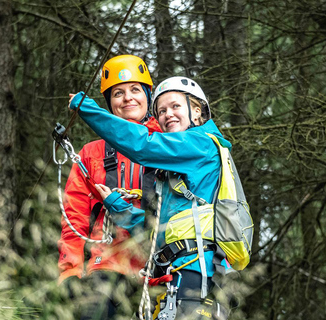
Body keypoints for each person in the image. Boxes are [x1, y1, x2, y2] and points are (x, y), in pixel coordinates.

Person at [70, 76, 239, 319]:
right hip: (177, 276)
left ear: (197, 111)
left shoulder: (201, 144)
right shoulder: (180, 169)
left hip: (195, 273)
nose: (168, 114)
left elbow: (143, 145)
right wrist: (117, 206)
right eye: (161, 110)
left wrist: (86, 107)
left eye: (175, 106)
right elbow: (155, 231)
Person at [58, 54, 162, 320]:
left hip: (160, 269)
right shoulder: (92, 153)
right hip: (107, 266)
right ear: (109, 104)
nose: (127, 98)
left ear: (148, 97)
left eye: (135, 90)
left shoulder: (167, 143)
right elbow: (74, 218)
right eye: (118, 93)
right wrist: (70, 269)